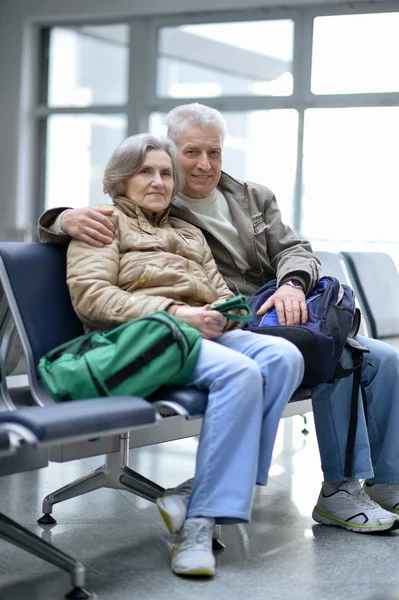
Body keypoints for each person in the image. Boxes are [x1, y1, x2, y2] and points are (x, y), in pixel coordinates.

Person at [39, 103, 399, 536]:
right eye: (190, 152)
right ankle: (336, 491)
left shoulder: (251, 197)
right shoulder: (162, 201)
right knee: (334, 357)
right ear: (171, 150)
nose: (203, 164)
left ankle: (387, 483)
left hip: (267, 309)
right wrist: (59, 218)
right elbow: (102, 221)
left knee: (385, 360)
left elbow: (294, 248)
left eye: (214, 152)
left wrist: (293, 284)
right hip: (218, 322)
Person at [65, 132, 305, 577]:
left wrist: (223, 314)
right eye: (145, 172)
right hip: (142, 339)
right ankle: (196, 525)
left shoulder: (188, 232)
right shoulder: (102, 223)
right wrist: (179, 314)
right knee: (240, 373)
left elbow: (220, 295)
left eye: (164, 172)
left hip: (196, 334)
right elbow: (93, 299)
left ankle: (196, 492)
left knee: (283, 357)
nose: (158, 181)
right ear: (120, 179)